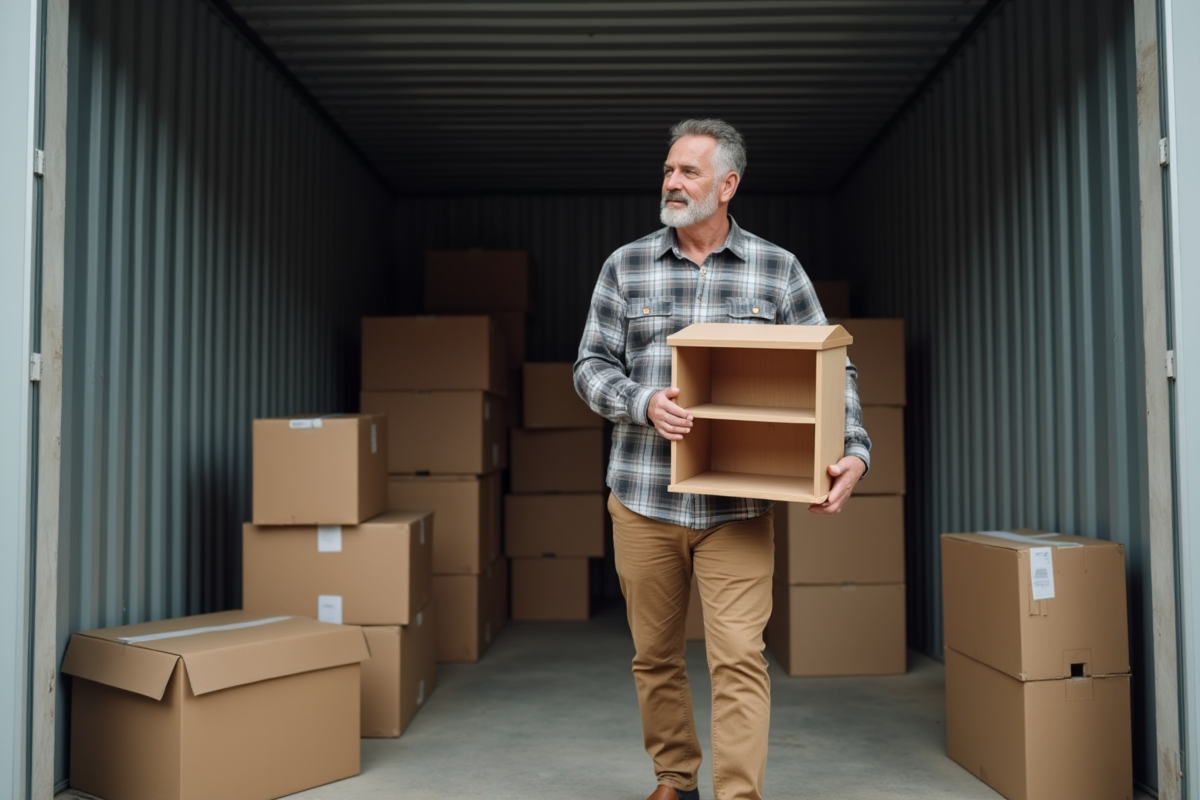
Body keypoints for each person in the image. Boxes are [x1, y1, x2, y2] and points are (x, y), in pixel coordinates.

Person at [573, 119, 871, 800]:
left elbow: (836, 370)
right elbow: (589, 367)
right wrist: (643, 401)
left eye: (689, 173)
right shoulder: (626, 265)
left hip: (737, 508)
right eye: (669, 170)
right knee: (655, 656)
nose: (672, 183)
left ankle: (739, 796)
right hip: (643, 498)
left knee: (739, 657)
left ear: (728, 185)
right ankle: (674, 779)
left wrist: (852, 452)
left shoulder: (777, 270)